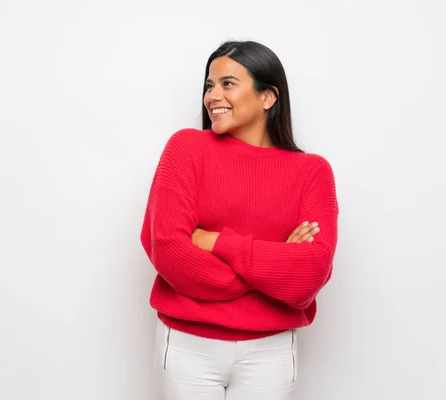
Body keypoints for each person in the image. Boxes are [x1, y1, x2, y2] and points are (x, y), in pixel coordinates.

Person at [139, 40, 339, 399]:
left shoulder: (312, 171)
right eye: (209, 85)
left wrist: (215, 242)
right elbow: (168, 249)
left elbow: (310, 272)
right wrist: (271, 269)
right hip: (188, 348)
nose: (213, 95)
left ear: (268, 97)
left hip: (271, 353)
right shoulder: (186, 149)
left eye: (227, 83)